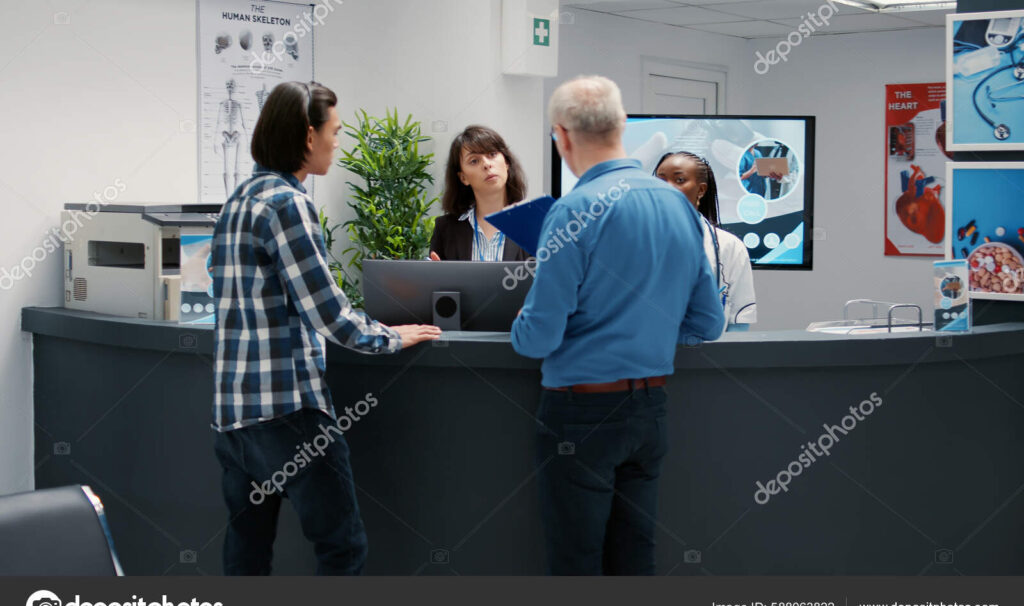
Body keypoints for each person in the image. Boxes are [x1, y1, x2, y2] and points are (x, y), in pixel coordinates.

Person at [210, 81, 442, 575]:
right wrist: (393, 335)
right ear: (308, 135)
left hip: (234, 417)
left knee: (247, 557)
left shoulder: (238, 201)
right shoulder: (287, 205)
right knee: (343, 549)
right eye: (334, 131)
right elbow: (330, 315)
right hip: (290, 412)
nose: (338, 142)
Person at [511, 76, 724, 575]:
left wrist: (521, 319)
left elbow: (537, 338)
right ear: (622, 125)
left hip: (580, 412)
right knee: (635, 559)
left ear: (561, 136)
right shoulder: (678, 206)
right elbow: (708, 323)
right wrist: (647, 328)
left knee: (577, 562)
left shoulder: (572, 210)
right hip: (650, 411)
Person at [654, 152, 757, 331]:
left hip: (706, 354)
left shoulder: (729, 246)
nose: (668, 187)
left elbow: (739, 320)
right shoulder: (637, 239)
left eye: (679, 180)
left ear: (701, 190)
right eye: (661, 180)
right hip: (645, 354)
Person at [428, 125, 531, 261]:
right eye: (474, 161)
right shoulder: (446, 229)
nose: (487, 164)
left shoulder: (532, 224)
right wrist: (434, 279)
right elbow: (437, 281)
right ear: (463, 177)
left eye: (492, 154)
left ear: (506, 162)